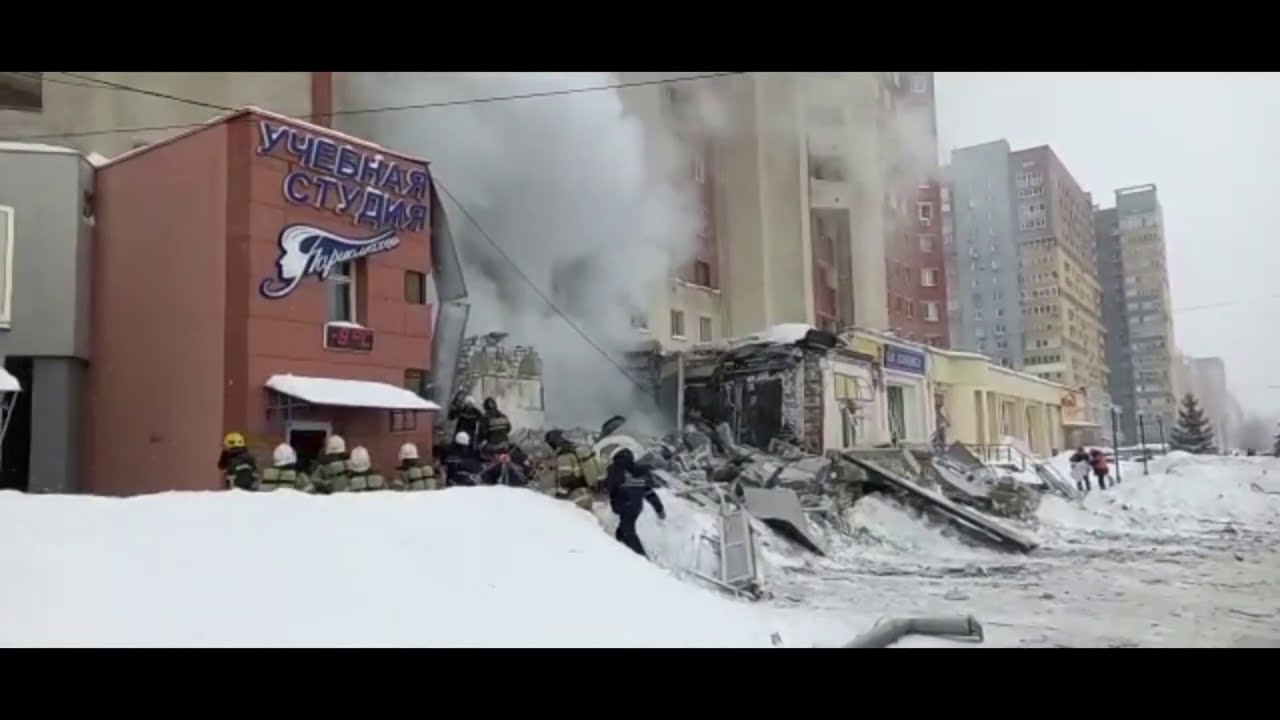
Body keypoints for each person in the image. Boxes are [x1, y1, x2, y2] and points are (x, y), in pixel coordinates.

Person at [605, 448, 666, 558]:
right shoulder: (637, 471)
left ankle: (642, 558)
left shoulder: (614, 469)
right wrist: (659, 509)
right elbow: (649, 492)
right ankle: (619, 545)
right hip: (635, 506)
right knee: (623, 530)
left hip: (623, 504)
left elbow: (609, 486)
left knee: (628, 531)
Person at [546, 429, 604, 510]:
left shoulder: (563, 454)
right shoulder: (576, 448)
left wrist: (559, 496)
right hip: (591, 489)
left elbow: (566, 480)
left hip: (579, 493)